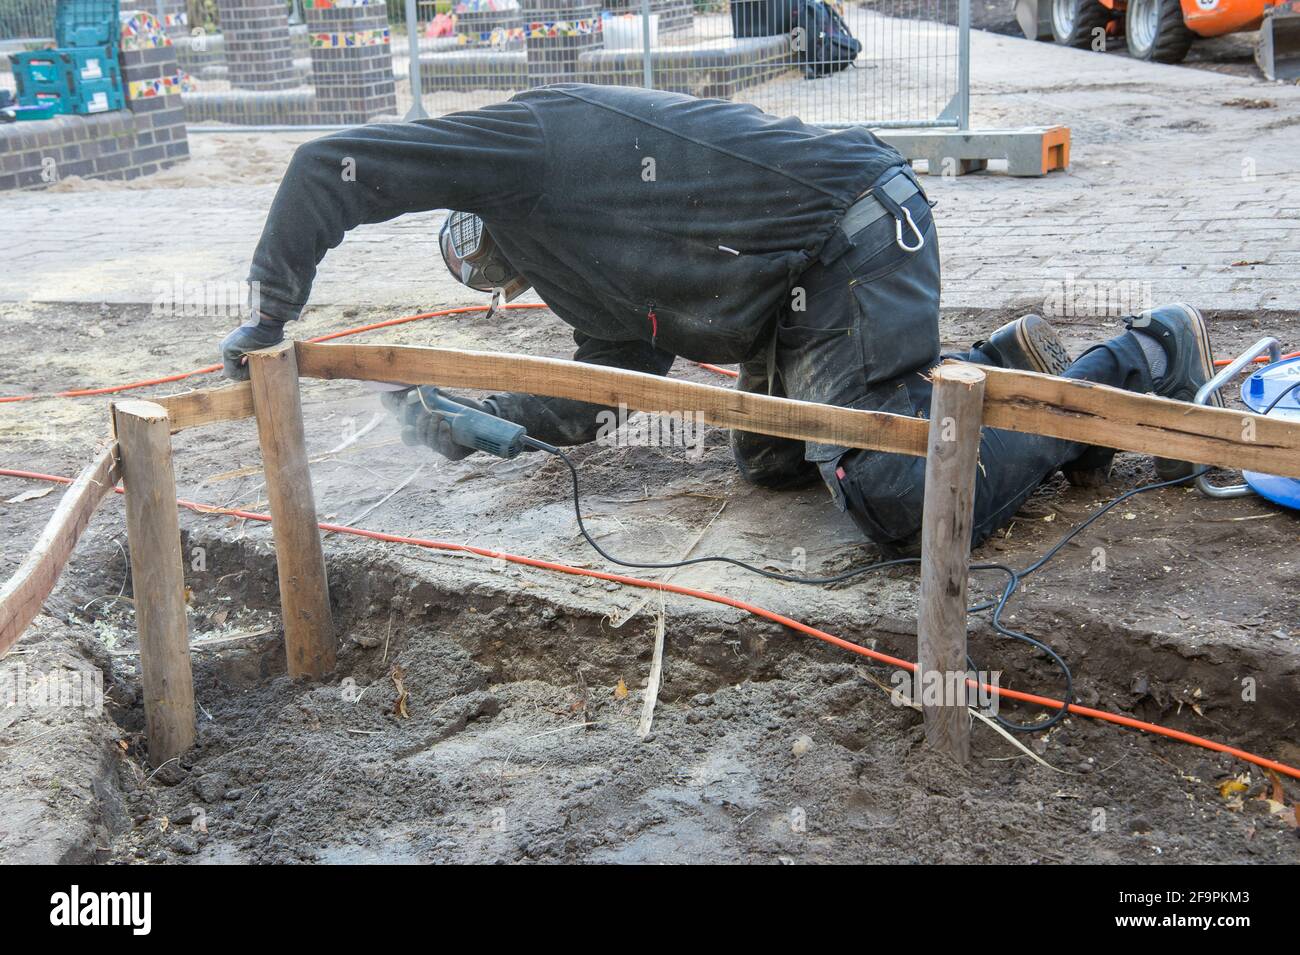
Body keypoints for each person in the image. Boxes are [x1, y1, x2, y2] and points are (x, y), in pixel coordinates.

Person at [219, 83, 1218, 553]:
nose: (503, 282)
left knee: (886, 495)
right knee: (770, 461)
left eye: (489, 261)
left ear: (490, 214)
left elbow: (326, 170)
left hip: (851, 232)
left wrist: (268, 315)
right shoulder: (578, 278)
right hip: (792, 297)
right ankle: (989, 369)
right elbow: (610, 384)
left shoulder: (529, 141)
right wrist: (491, 423)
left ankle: (1134, 360)